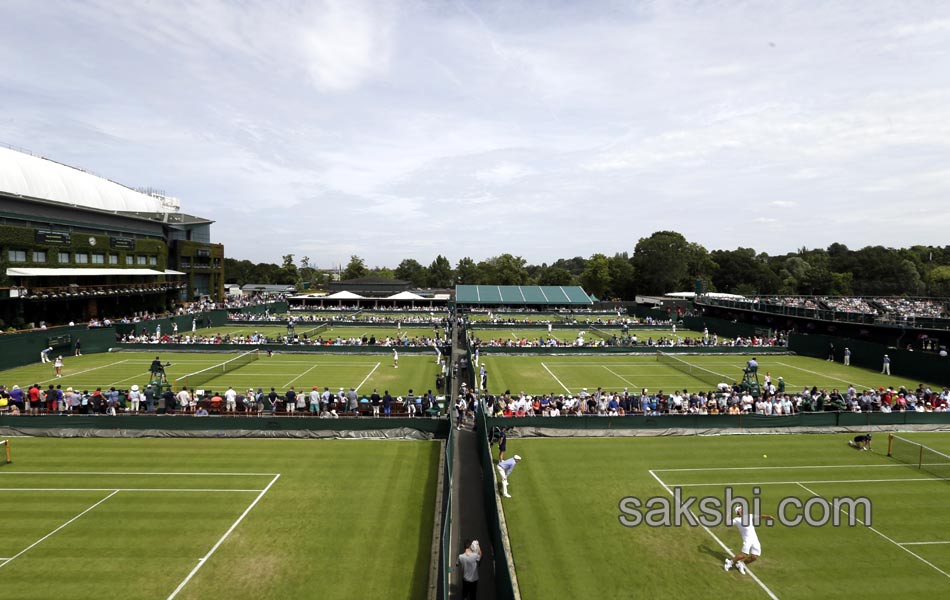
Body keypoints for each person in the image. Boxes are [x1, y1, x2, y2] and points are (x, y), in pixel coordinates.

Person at [724, 506, 775, 575]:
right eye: (740, 509)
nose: (742, 509)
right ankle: (729, 563)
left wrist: (768, 517)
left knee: (755, 556)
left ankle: (741, 565)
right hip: (747, 540)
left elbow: (759, 516)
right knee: (743, 555)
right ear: (737, 512)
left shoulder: (749, 516)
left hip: (755, 539)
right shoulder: (736, 520)